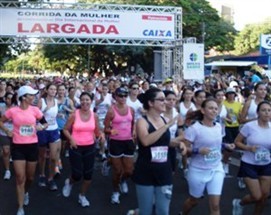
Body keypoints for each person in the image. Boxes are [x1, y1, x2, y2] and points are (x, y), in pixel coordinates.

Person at [132, 88, 186, 215]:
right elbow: (146, 141)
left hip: (164, 170)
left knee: (163, 210)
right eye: (161, 100)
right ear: (151, 103)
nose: (165, 102)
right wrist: (166, 126)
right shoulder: (142, 121)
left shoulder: (165, 120)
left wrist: (179, 143)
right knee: (146, 211)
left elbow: (165, 141)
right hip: (145, 171)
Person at [0, 85, 48, 215]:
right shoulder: (13, 111)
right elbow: (1, 121)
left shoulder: (35, 110)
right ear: (24, 97)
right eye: (31, 95)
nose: (33, 97)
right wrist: (7, 131)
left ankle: (26, 192)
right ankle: (20, 207)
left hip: (32, 146)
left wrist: (41, 127)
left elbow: (45, 122)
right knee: (20, 178)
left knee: (30, 177)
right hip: (18, 147)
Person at [181, 99, 233, 215]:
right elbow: (184, 150)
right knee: (194, 200)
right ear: (203, 111)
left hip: (216, 169)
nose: (214, 111)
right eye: (211, 108)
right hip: (198, 170)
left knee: (215, 205)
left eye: (215, 108)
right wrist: (198, 150)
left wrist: (226, 145)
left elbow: (216, 144)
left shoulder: (219, 126)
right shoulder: (194, 129)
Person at [62, 92, 105, 207]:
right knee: (77, 174)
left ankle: (82, 195)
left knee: (88, 175)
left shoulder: (94, 115)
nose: (85, 102)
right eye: (82, 100)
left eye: (87, 100)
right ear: (79, 101)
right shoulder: (74, 115)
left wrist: (101, 135)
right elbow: (65, 130)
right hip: (76, 147)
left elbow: (97, 131)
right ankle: (69, 182)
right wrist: (71, 139)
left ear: (91, 101)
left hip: (90, 147)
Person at [233, 101, 271, 215]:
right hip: (249, 164)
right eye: (264, 110)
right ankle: (239, 203)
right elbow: (237, 142)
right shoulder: (249, 126)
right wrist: (248, 148)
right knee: (257, 196)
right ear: (258, 112)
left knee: (264, 196)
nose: (267, 113)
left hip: (266, 164)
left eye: (269, 110)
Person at [104, 86, 135, 204]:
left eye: (125, 95)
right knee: (117, 171)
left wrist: (133, 136)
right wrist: (110, 131)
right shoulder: (111, 110)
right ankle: (115, 192)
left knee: (129, 171)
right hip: (115, 142)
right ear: (115, 97)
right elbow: (106, 128)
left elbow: (132, 125)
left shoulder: (131, 109)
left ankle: (122, 181)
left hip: (128, 141)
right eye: (120, 96)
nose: (123, 98)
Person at [37, 83, 61, 191]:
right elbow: (35, 115)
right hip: (43, 130)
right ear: (46, 90)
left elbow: (54, 114)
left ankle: (51, 178)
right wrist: (46, 109)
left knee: (53, 157)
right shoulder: (41, 101)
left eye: (55, 89)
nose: (53, 91)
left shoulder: (56, 101)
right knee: (42, 156)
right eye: (51, 89)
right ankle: (42, 175)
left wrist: (58, 115)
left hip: (53, 130)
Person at [0, 92, 16, 180]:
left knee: (14, 151)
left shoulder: (16, 108)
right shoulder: (1, 108)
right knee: (6, 151)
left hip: (15, 133)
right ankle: (7, 170)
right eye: (8, 98)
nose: (10, 100)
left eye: (11, 98)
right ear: (5, 99)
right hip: (4, 132)